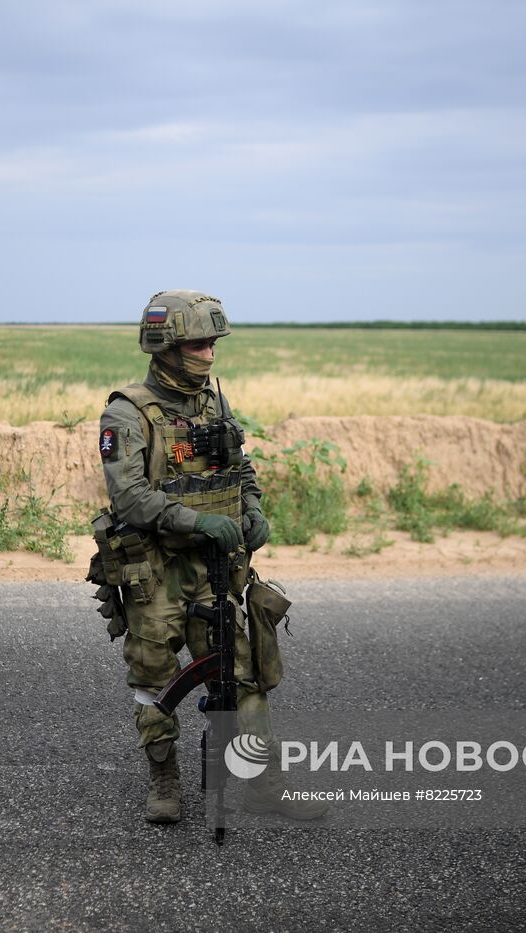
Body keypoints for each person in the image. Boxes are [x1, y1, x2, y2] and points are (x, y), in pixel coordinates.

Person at [96, 289, 325, 824]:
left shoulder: (213, 403)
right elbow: (129, 497)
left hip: (214, 568)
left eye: (212, 342)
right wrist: (197, 521)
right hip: (154, 571)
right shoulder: (127, 413)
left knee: (242, 673)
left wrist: (252, 509)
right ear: (167, 346)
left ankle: (264, 787)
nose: (209, 353)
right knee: (154, 678)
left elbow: (240, 467)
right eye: (198, 343)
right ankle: (164, 782)